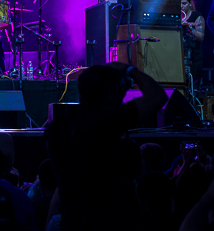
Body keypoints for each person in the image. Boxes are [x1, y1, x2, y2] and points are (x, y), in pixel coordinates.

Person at [45, 61, 167, 231]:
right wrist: (129, 69)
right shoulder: (106, 121)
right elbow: (158, 96)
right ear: (111, 94)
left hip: (71, 221)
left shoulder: (57, 127)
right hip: (107, 221)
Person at [177, 0, 206, 89]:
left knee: (192, 85)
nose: (181, 6)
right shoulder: (176, 17)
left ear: (190, 3)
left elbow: (201, 37)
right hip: (179, 56)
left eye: (184, 3)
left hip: (194, 58)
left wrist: (189, 27)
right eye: (179, 4)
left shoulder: (197, 16)